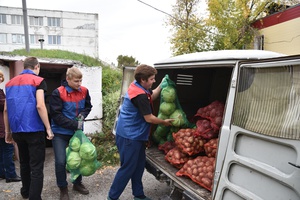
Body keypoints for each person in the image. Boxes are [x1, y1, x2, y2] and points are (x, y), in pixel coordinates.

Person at [107, 64, 173, 200]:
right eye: (152, 79)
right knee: (127, 168)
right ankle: (111, 197)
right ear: (143, 79)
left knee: (138, 166)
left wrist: (161, 85)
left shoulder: (138, 86)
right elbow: (149, 118)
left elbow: (152, 96)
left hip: (134, 135)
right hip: (129, 137)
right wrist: (164, 122)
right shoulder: (140, 95)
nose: (153, 81)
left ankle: (138, 195)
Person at [3, 56, 54, 200]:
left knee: (24, 163)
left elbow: (6, 110)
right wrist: (48, 129)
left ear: (25, 66)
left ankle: (25, 192)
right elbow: (40, 105)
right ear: (37, 66)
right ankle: (34, 197)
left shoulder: (9, 84)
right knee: (36, 167)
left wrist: (8, 132)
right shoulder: (38, 81)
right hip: (34, 130)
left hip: (17, 131)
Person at [49, 66, 92, 200]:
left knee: (78, 159)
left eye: (81, 80)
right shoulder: (58, 93)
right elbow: (56, 115)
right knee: (61, 162)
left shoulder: (84, 91)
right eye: (76, 81)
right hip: (60, 133)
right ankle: (63, 188)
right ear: (67, 79)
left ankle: (77, 183)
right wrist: (75, 124)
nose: (79, 84)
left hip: (77, 133)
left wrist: (83, 116)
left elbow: (88, 107)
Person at [0, 70, 21, 183]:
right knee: (8, 150)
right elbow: (6, 106)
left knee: (2, 151)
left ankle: (3, 173)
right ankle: (11, 175)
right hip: (2, 127)